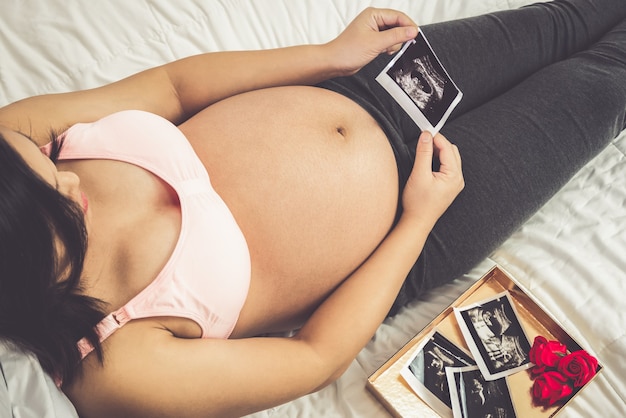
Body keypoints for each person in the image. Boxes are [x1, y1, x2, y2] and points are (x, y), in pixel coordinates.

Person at [0, 0, 624, 416]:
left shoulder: (9, 142)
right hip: (422, 222)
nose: (72, 185)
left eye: (50, 170)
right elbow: (312, 359)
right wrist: (419, 218)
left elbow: (173, 87)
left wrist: (329, 56)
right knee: (606, 78)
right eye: (62, 214)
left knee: (564, 21)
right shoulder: (112, 369)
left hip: (372, 87)